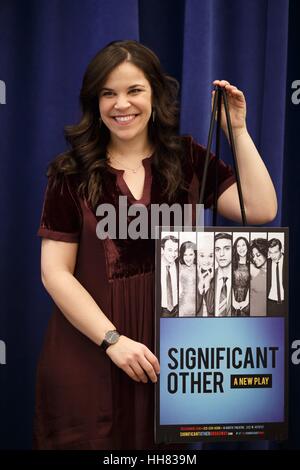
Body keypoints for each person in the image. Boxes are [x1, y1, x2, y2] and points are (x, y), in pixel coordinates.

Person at [34, 39, 277, 450]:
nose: (120, 104)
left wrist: (237, 131)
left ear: (155, 95)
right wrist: (113, 341)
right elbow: (54, 273)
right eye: (107, 93)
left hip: (172, 356)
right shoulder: (70, 171)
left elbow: (260, 209)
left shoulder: (187, 159)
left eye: (133, 90)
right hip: (91, 350)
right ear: (95, 102)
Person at [267, 237, 287, 316]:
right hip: (270, 303)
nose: (273, 256)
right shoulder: (267, 263)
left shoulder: (288, 261)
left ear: (281, 250)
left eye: (275, 252)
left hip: (286, 302)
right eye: (270, 252)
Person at [214, 232, 233, 316]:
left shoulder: (243, 275)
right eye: (217, 249)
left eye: (227, 248)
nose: (221, 254)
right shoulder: (208, 278)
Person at [196, 234, 215, 316]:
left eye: (210, 256)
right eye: (202, 255)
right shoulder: (191, 276)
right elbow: (194, 309)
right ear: (196, 256)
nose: (206, 260)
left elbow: (211, 309)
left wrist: (207, 283)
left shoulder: (217, 276)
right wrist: (200, 283)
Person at [160, 235, 179, 317]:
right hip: (162, 311)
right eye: (170, 250)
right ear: (162, 250)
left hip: (177, 309)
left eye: (176, 250)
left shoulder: (179, 265)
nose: (173, 254)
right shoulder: (156, 266)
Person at [232, 236, 250, 316]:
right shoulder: (232, 264)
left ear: (247, 246)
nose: (241, 248)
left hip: (248, 300)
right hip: (233, 299)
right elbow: (230, 284)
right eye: (238, 246)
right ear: (235, 248)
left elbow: (252, 285)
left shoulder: (252, 264)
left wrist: (246, 301)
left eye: (243, 245)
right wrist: (233, 301)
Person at [250, 238, 268, 316]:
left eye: (258, 255)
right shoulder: (253, 270)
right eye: (253, 256)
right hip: (253, 316)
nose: (254, 259)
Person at [178, 240, 196, 316]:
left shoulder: (198, 268)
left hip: (197, 308)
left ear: (195, 255)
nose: (188, 258)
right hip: (182, 308)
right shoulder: (180, 268)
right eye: (185, 255)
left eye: (191, 254)